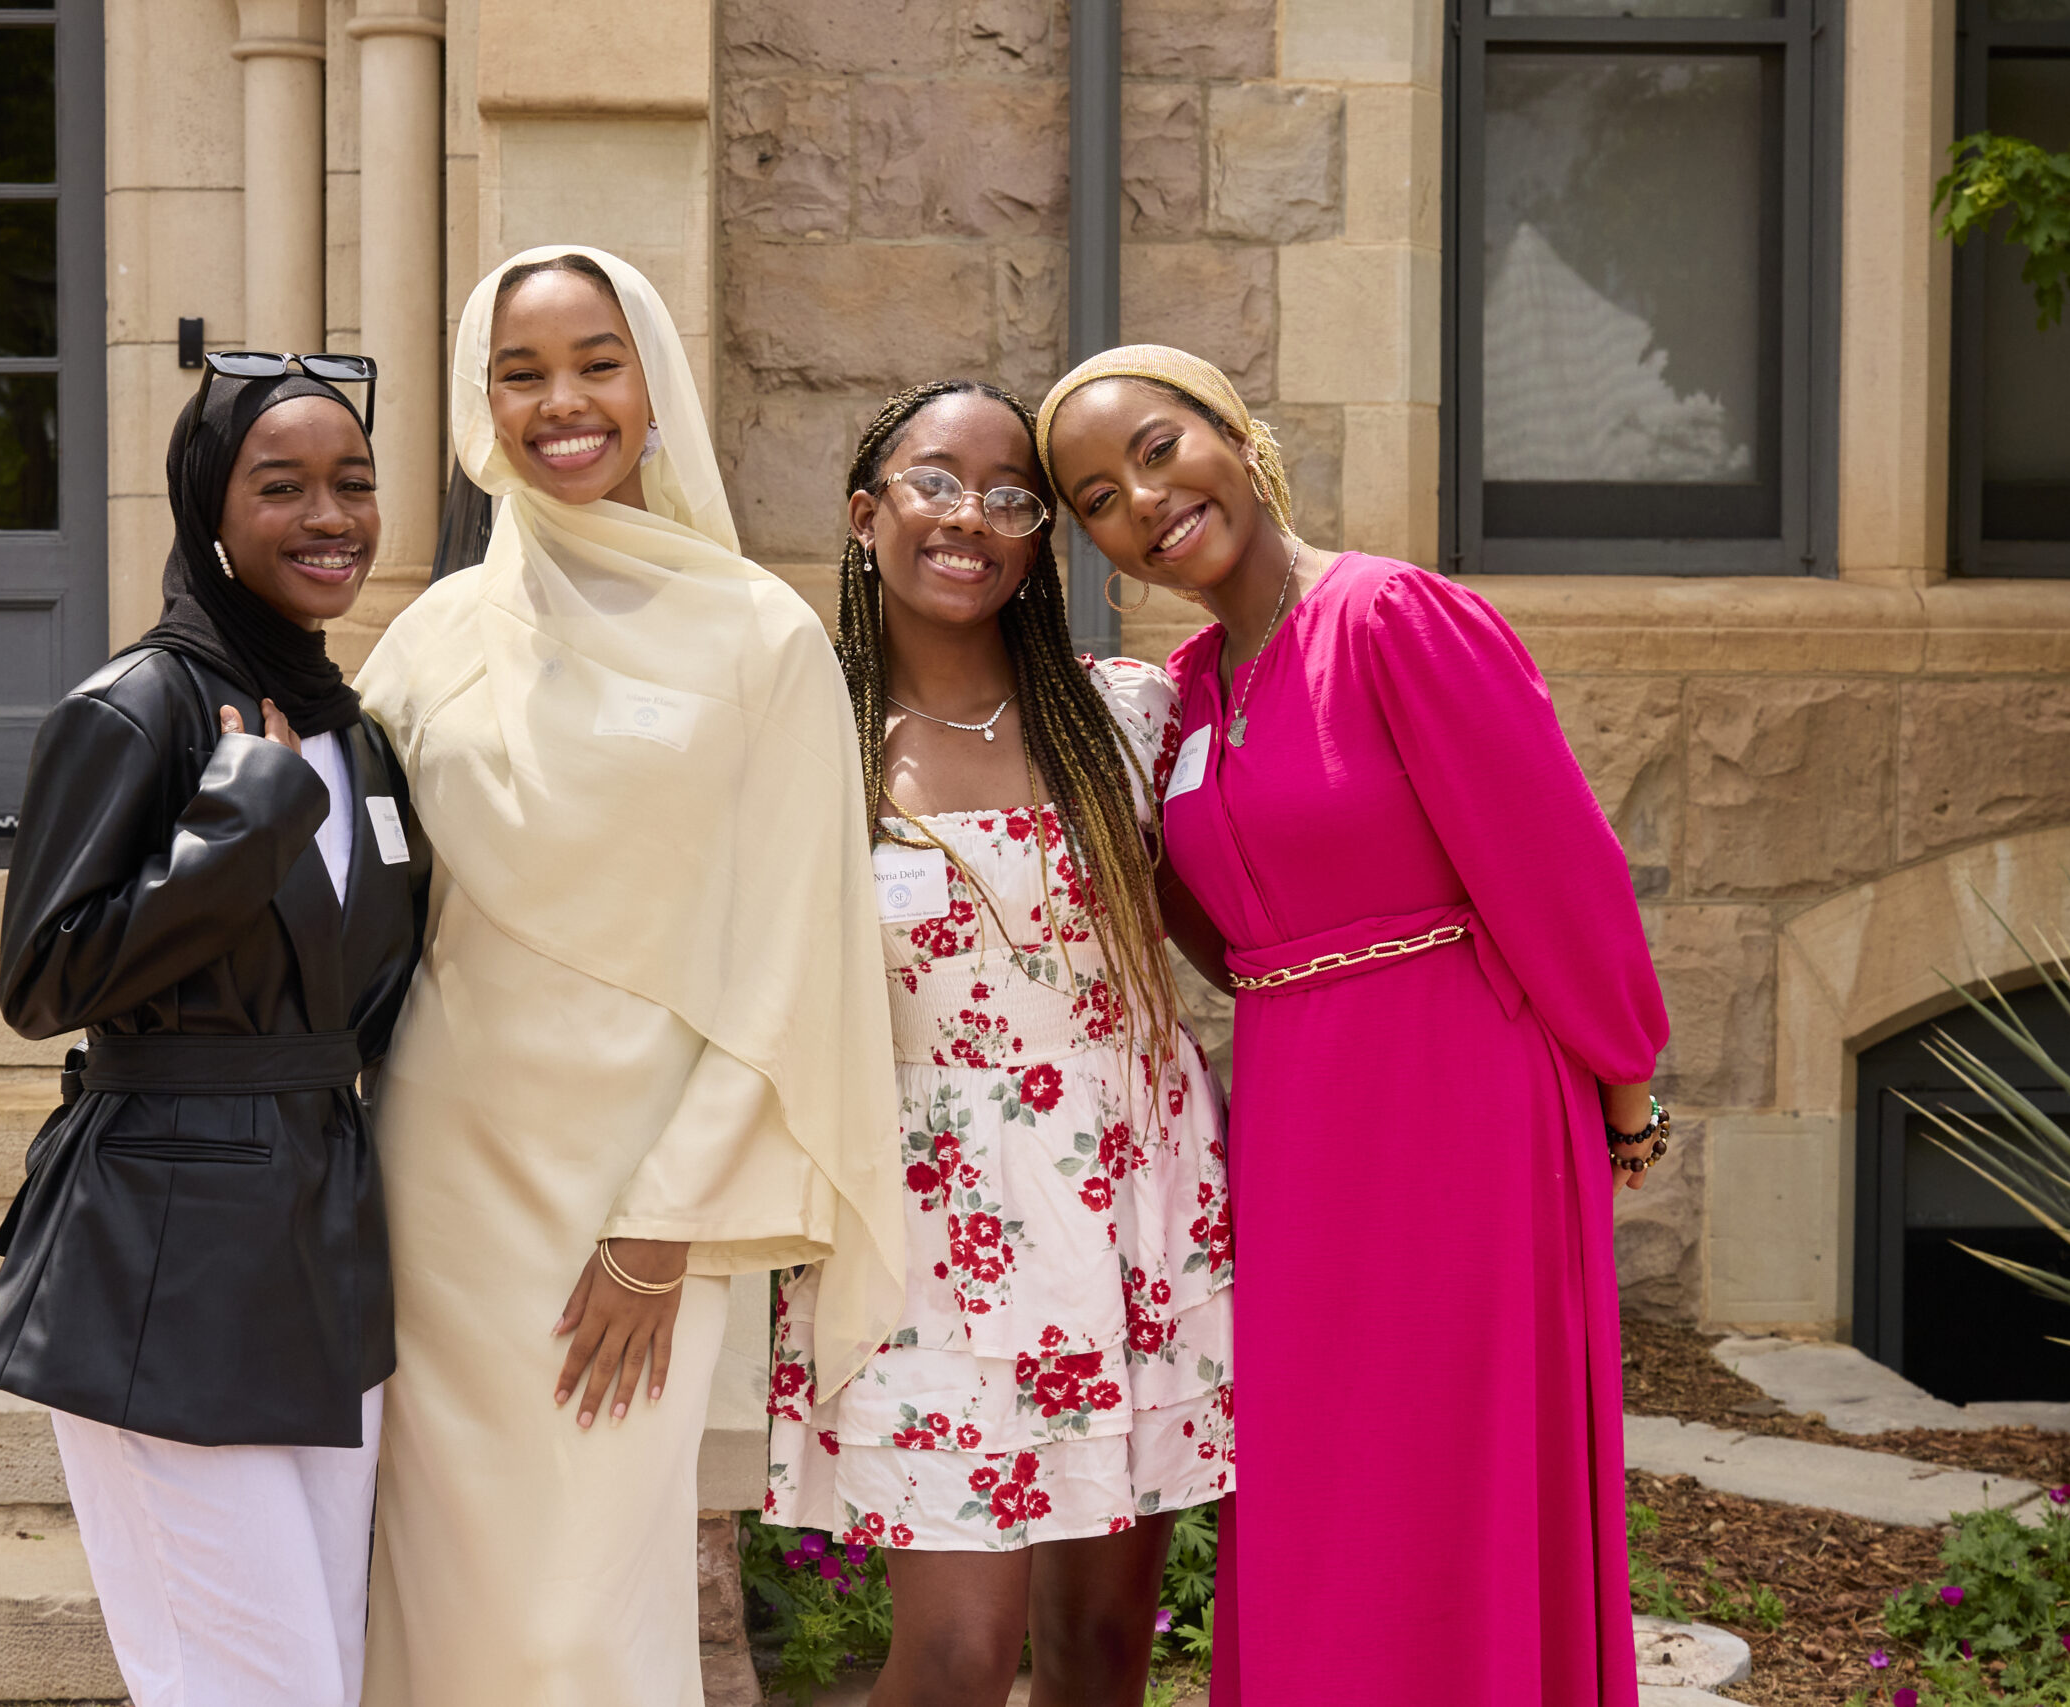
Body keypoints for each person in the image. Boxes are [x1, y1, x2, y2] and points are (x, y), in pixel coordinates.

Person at [1037, 346, 1671, 1707]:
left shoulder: (1394, 617)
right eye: (1098, 495)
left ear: (1236, 432)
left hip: (1461, 1100)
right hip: (1295, 1125)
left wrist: (1626, 1090)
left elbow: (1558, 869)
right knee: (1329, 1484)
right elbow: (1231, 933)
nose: (1143, 501)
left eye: (1159, 448)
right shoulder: (1192, 690)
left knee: (1456, 1467)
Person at [351, 246, 903, 1706]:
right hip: (441, 1180)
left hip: (637, 1203)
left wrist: (665, 1225)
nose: (562, 403)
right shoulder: (427, 638)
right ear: (481, 405)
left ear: (653, 382)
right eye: (520, 374)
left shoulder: (763, 639)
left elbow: (797, 954)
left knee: (583, 1604)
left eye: (597, 362)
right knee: (441, 1578)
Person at [764, 379, 1235, 1707]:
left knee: (1099, 1648)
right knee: (962, 1650)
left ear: (1041, 540)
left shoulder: (1128, 717)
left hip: (1131, 1213)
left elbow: (1231, 940)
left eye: (1011, 497)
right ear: (867, 515)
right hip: (927, 1235)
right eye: (934, 483)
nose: (970, 517)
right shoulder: (808, 744)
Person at [0, 355, 427, 1707]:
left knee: (322, 1672)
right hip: (163, 1251)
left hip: (323, 1244)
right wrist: (238, 826)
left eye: (352, 482)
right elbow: (42, 978)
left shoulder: (359, 734)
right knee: (249, 1682)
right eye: (280, 486)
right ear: (209, 510)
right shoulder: (138, 708)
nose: (328, 515)